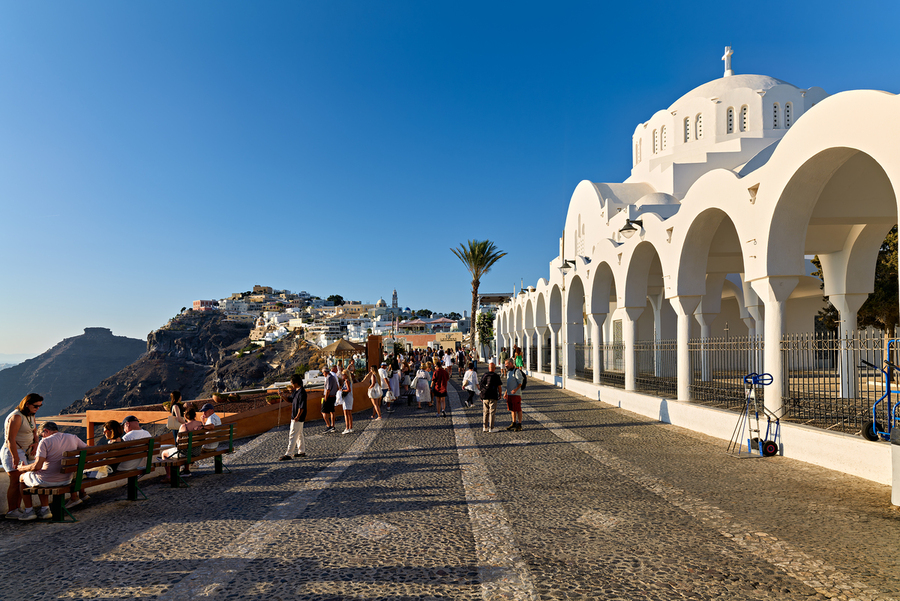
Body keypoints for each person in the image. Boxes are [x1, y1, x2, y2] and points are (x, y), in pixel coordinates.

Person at [17, 421, 87, 521]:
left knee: (23, 477)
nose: (42, 438)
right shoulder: (73, 437)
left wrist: (22, 468)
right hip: (67, 480)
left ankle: (29, 511)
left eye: (42, 435)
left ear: (46, 431)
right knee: (39, 475)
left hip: (48, 480)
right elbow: (89, 449)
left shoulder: (45, 442)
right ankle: (44, 510)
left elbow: (37, 466)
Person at [2, 394, 41, 519]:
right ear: (27, 404)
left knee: (21, 481)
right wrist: (15, 457)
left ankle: (18, 508)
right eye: (35, 406)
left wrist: (36, 443)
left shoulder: (30, 415)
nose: (38, 408)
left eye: (40, 406)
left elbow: (35, 431)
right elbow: (10, 439)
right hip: (14, 452)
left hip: (26, 452)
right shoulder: (16, 417)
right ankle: (12, 511)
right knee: (15, 482)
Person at [160, 408, 203, 477]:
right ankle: (186, 470)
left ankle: (169, 476)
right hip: (197, 451)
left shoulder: (184, 426)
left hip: (185, 453)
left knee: (164, 453)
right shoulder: (200, 424)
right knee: (188, 447)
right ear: (195, 415)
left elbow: (178, 441)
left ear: (185, 417)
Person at [279, 374, 307, 460]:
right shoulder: (296, 391)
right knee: (299, 434)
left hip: (297, 417)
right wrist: (282, 396)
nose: (291, 384)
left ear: (296, 382)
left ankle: (288, 454)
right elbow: (290, 400)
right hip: (296, 416)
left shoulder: (302, 392)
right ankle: (301, 451)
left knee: (293, 434)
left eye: (292, 383)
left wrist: (297, 416)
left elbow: (302, 406)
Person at [479, 362, 503, 432]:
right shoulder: (496, 376)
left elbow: (481, 386)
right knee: (492, 412)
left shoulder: (485, 375)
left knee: (485, 412)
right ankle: (491, 428)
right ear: (494, 368)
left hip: (485, 395)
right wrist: (500, 394)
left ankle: (485, 427)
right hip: (493, 395)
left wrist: (481, 396)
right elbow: (499, 387)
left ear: (488, 368)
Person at [504, 359, 525, 431]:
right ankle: (514, 422)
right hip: (510, 394)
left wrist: (516, 389)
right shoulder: (508, 372)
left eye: (506, 364)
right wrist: (506, 392)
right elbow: (509, 384)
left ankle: (519, 424)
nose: (505, 366)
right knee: (512, 409)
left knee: (518, 409)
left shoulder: (517, 371)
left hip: (516, 394)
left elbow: (520, 382)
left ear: (510, 363)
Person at [321, 366, 339, 433]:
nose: (323, 374)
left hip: (329, 396)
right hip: (333, 396)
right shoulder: (333, 377)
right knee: (332, 411)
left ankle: (328, 426)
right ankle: (333, 426)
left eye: (323, 373)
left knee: (323, 411)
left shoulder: (328, 378)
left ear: (325, 372)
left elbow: (328, 389)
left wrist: (325, 398)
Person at [339, 368, 354, 434]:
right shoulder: (349, 381)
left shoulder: (346, 381)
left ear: (346, 375)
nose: (342, 375)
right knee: (349, 413)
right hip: (350, 398)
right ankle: (350, 427)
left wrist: (342, 390)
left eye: (343, 374)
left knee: (346, 414)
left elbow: (348, 389)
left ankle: (347, 428)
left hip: (347, 398)